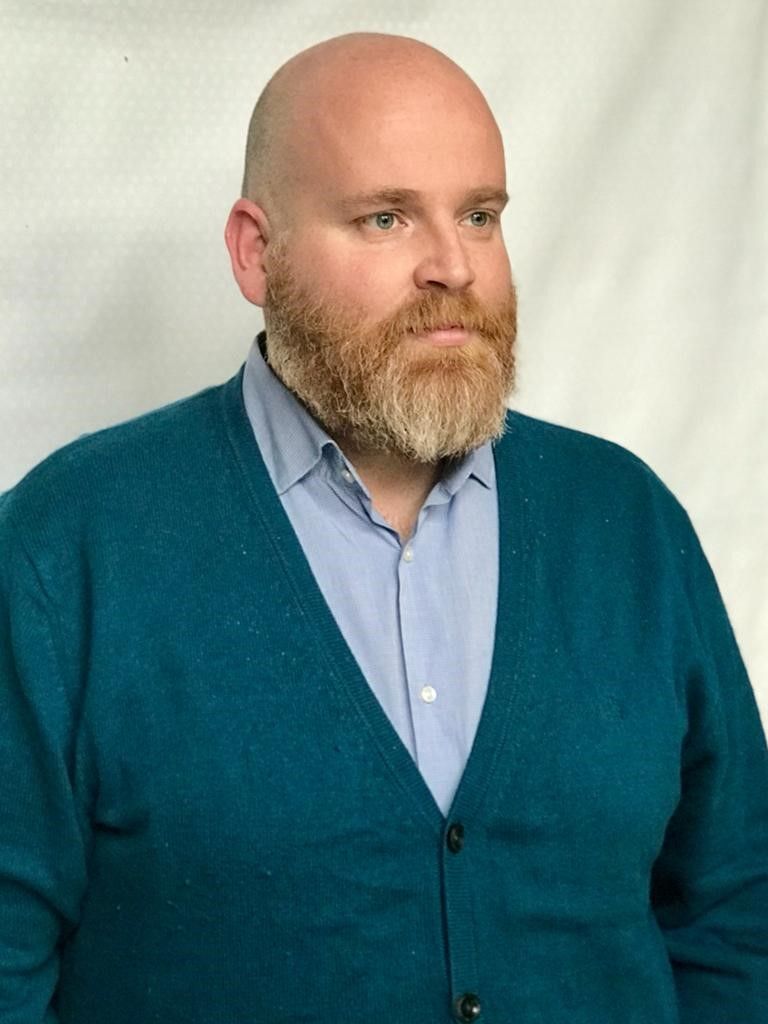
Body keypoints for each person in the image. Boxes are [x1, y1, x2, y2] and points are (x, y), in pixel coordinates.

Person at [1, 31, 766, 1024]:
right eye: (386, 218)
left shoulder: (626, 524)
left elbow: (735, 907)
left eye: (480, 215)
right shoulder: (70, 544)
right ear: (256, 251)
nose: (452, 266)